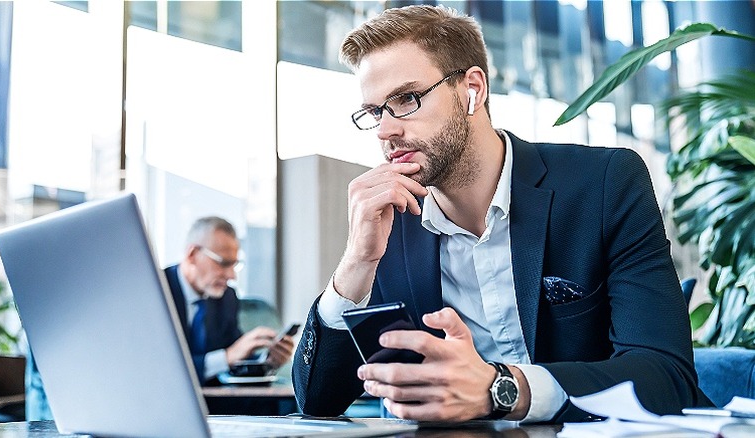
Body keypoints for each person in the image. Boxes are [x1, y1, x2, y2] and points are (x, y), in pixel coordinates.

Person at [292, 4, 711, 423]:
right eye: (374, 112)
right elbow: (317, 403)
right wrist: (356, 264)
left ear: (473, 88)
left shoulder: (603, 184)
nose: (385, 130)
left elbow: (666, 378)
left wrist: (502, 388)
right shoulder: (391, 223)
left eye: (406, 99)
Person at [166, 216, 294, 384]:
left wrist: (267, 361)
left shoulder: (226, 298)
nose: (231, 276)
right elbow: (159, 367)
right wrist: (226, 357)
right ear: (192, 255)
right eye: (223, 263)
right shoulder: (156, 290)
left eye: (234, 265)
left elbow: (235, 356)